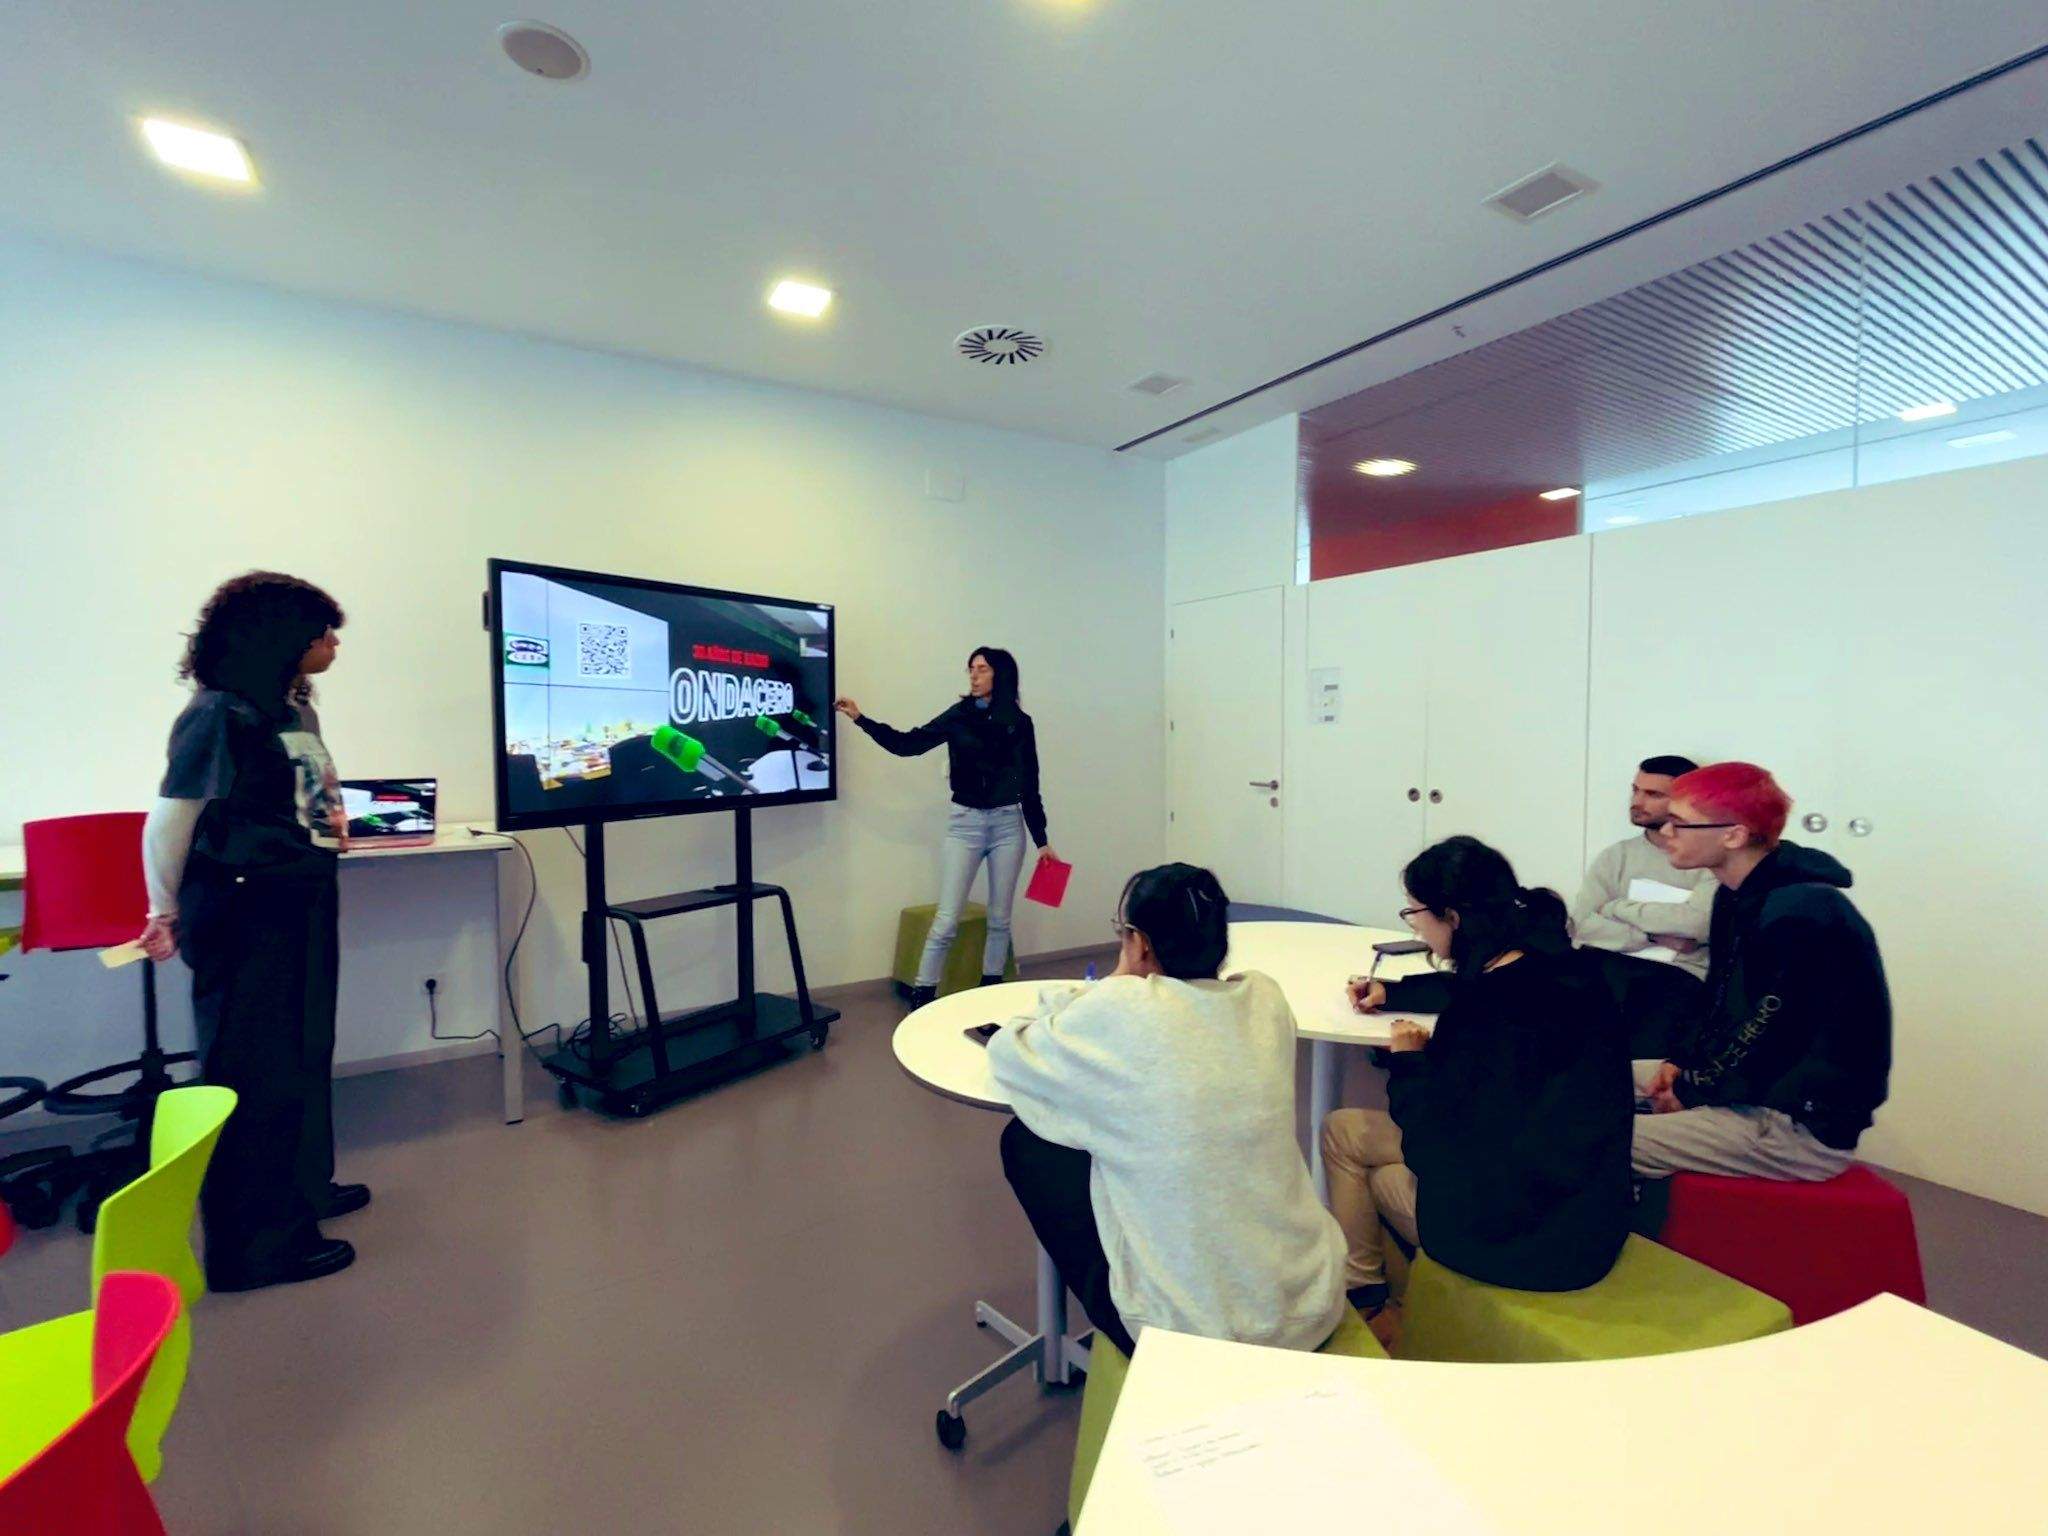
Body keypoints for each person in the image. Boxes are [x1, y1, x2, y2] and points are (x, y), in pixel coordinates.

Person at [988, 864, 1347, 1357]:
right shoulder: (1264, 998)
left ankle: (1089, 1332)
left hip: (1192, 1335)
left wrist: (1112, 982)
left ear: (1138, 943)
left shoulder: (1124, 1009)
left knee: (1028, 1143)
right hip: (1312, 1305)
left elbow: (1010, 1051)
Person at [136, 573, 367, 1292]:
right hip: (246, 909)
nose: (332, 646)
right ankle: (254, 1250)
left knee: (304, 1049)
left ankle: (304, 1192)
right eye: (323, 634)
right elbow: (171, 817)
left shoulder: (289, 708)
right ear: (281, 638)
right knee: (254, 1071)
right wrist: (162, 909)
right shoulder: (218, 713)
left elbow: (299, 796)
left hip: (298, 895)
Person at [1321, 836, 1632, 1337]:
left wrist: (1408, 1060)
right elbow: (1470, 986)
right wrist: (1394, 992)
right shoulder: (1568, 967)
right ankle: (1406, 1310)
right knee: (1365, 1146)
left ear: (1452, 917)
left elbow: (1429, 1147)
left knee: (1357, 1149)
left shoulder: (1481, 1019)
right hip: (1592, 1217)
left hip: (1526, 1245)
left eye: (1415, 912)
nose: (1414, 925)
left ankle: (1372, 1307)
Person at [1632, 762, 1890, 1182]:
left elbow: (1770, 1034)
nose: (1665, 831)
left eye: (1679, 823)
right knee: (1591, 1073)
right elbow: (1719, 999)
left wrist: (1691, 1090)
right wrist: (1681, 1062)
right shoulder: (1736, 895)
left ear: (1733, 835)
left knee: (1582, 1139)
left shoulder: (1804, 912)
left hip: (1794, 1125)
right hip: (1745, 1091)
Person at [836, 647, 1059, 1006]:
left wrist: (1042, 840)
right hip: (965, 824)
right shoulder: (959, 716)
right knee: (947, 918)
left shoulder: (1019, 722)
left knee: (1000, 919)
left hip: (1007, 825)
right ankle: (923, 994)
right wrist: (861, 719)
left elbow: (1030, 784)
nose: (973, 675)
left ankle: (990, 992)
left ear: (1000, 674)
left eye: (981, 669)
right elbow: (908, 744)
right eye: (971, 669)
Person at [1571, 754, 1716, 1056]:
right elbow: (1582, 924)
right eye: (1635, 790)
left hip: (1676, 976)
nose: (1637, 801)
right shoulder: (1616, 856)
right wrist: (1651, 936)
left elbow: (1696, 923)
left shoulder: (1706, 859)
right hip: (1607, 966)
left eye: (1653, 794)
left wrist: (1615, 908)